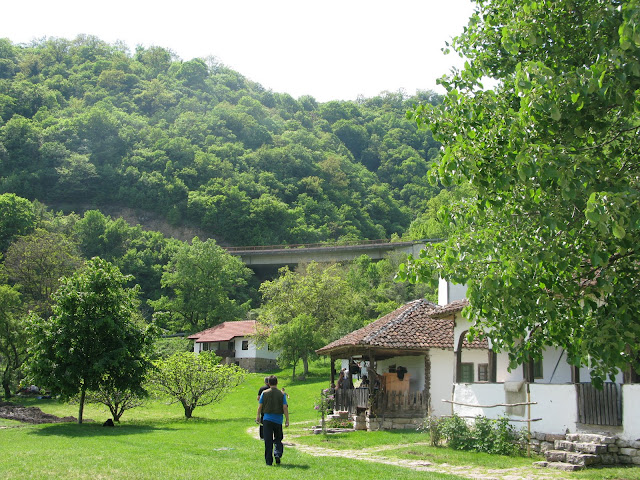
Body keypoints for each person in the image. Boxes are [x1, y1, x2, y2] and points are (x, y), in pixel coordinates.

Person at [256, 375, 289, 466]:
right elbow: (285, 407)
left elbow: (260, 406)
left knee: (268, 441)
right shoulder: (281, 394)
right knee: (278, 439)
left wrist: (258, 416)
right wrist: (287, 420)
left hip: (267, 419)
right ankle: (277, 454)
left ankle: (268, 461)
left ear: (268, 383)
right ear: (277, 382)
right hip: (278, 420)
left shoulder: (264, 393)